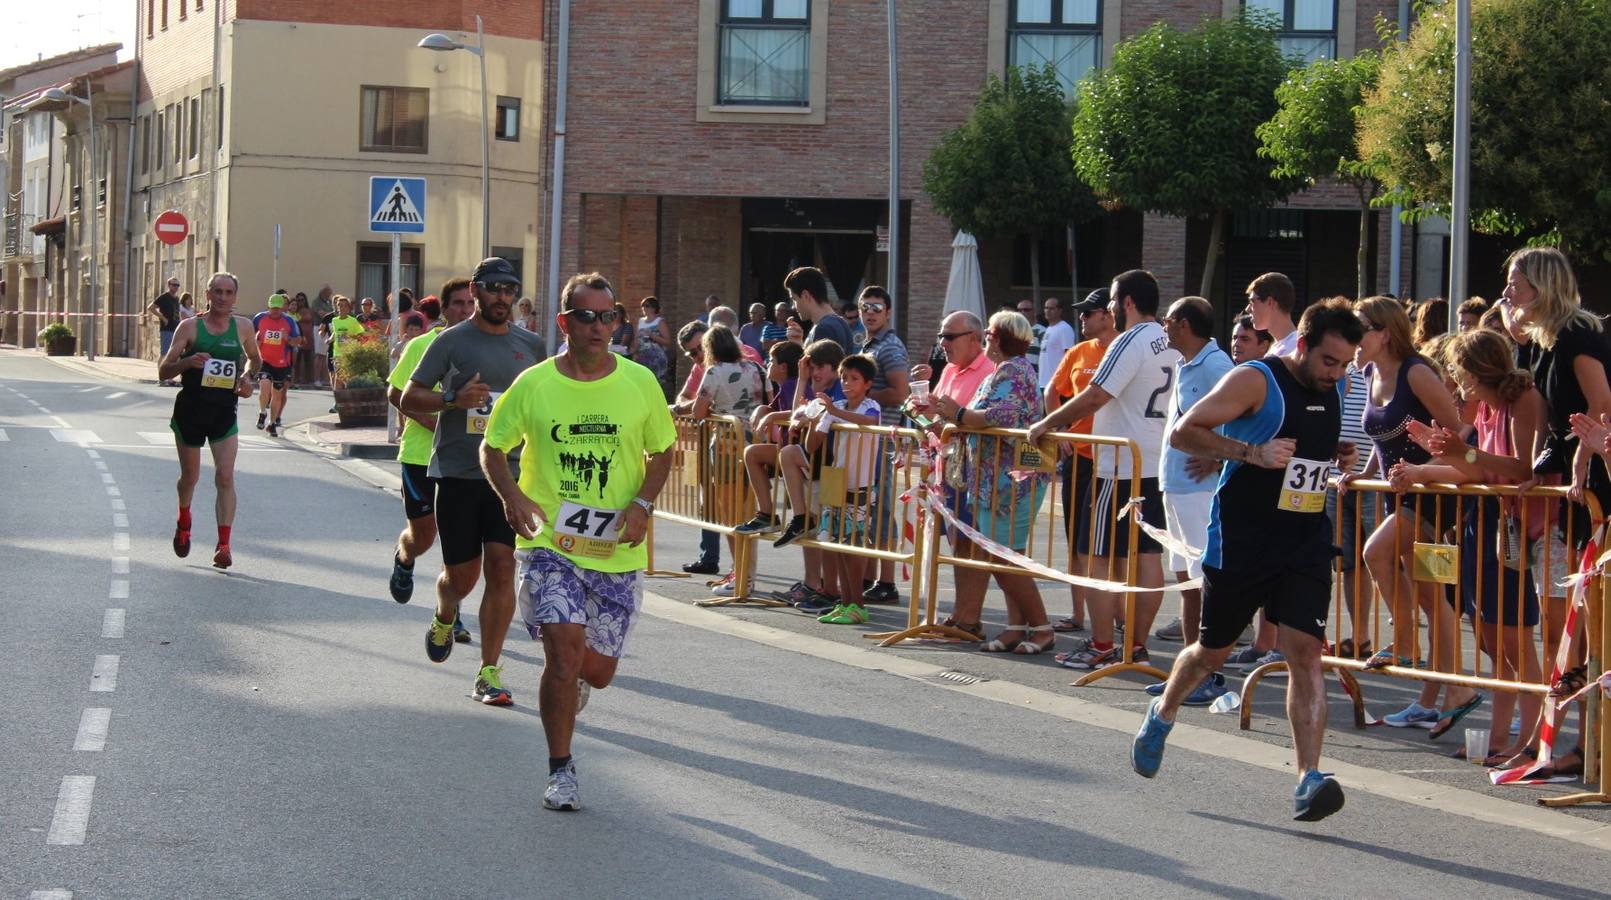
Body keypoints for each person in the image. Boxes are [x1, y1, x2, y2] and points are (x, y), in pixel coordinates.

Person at [1131, 298, 1362, 822]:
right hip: (1243, 539)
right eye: (1329, 361)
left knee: (1305, 652)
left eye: (1346, 363)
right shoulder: (1257, 380)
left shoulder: (1338, 386)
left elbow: (1308, 452)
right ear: (1302, 346)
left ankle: (1308, 778)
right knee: (1213, 652)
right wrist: (1251, 454)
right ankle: (1162, 712)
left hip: (1304, 539)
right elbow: (1183, 432)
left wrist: (1335, 456)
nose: (1337, 373)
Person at [482, 271, 676, 812]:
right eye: (587, 317)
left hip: (616, 549)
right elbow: (493, 448)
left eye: (608, 316)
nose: (598, 327)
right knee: (563, 656)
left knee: (597, 670)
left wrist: (641, 504)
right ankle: (560, 768)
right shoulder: (535, 384)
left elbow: (663, 451)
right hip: (551, 545)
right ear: (564, 322)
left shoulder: (639, 383)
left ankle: (576, 688)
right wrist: (513, 499)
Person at [401, 257, 546, 706]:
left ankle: (489, 672)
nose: (502, 297)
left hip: (511, 477)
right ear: (477, 290)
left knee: (503, 568)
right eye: (494, 288)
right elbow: (408, 396)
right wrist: (453, 398)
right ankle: (446, 611)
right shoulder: (450, 341)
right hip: (459, 471)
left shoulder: (533, 346)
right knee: (462, 577)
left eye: (510, 289)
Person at [1407, 328, 1548, 766]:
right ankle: (1501, 735)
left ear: (1472, 370)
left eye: (1457, 373)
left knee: (1516, 643)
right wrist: (1429, 461)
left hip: (1518, 531)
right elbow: (1479, 472)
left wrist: (1459, 455)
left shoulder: (1523, 399)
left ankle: (1529, 741)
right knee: (1492, 642)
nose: (1455, 382)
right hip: (1487, 526)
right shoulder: (1485, 410)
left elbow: (1523, 466)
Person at [1028, 270, 1181, 670]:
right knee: (1148, 557)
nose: (1111, 308)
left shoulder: (1129, 340)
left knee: (1096, 555)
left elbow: (1095, 396)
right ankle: (1136, 643)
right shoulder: (1171, 340)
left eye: (1113, 300)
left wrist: (1046, 424)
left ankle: (1102, 644)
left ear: (1127, 302)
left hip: (1119, 466)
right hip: (1155, 460)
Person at [1345, 295, 1480, 734]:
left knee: (1373, 552)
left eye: (1359, 328)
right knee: (1431, 596)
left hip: (1431, 497)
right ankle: (1448, 690)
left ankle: (1405, 644)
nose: (1352, 338)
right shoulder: (1368, 372)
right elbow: (1381, 437)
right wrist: (1360, 472)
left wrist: (1427, 466)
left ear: (1384, 332)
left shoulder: (1417, 372)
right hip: (1398, 495)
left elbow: (1461, 430)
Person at [1508, 247, 1610, 779]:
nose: (1508, 293)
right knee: (1584, 618)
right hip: (1575, 489)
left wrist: (1580, 461)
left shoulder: (1578, 335)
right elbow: (1550, 425)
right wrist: (1537, 470)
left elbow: (1601, 405)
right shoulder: (1544, 343)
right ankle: (1585, 743)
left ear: (1542, 286)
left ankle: (1594, 746)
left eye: (1516, 283)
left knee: (1596, 620)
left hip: (1599, 485)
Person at [929, 311, 1055, 653]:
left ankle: (1042, 628)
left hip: (1011, 481)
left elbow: (1000, 416)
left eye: (988, 333)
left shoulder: (1013, 370)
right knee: (1003, 556)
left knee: (1003, 558)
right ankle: (1016, 627)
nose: (985, 337)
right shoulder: (1006, 370)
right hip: (993, 481)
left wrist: (956, 414)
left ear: (998, 338)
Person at [1145, 296, 1234, 704]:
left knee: (1203, 578)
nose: (1163, 327)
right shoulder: (1187, 363)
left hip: (1200, 489)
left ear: (1183, 324)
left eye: (1168, 321)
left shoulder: (1217, 365)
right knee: (1185, 578)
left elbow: (1248, 415)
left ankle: (1208, 676)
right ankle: (1186, 673)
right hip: (1177, 484)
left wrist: (1218, 458)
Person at [386, 277, 476, 644]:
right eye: (457, 304)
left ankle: (451, 612)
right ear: (444, 308)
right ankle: (404, 557)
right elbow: (395, 391)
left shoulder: (484, 352)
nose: (465, 311)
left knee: (457, 542)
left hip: (464, 461)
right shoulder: (423, 345)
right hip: (421, 455)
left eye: (470, 303)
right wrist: (430, 420)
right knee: (424, 536)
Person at [156, 272, 263, 570]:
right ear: (207, 294)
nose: (223, 297)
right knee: (190, 478)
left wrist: (247, 377)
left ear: (235, 297)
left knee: (225, 476)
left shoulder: (243, 326)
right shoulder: (189, 327)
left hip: (223, 412)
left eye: (229, 292)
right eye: (217, 291)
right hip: (191, 410)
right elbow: (163, 370)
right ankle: (184, 519)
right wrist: (187, 362)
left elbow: (255, 358)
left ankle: (224, 545)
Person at [677, 323, 767, 596]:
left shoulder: (714, 372)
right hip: (755, 444)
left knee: (731, 518)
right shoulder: (757, 369)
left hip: (727, 446)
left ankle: (741, 578)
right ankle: (745, 575)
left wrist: (679, 408)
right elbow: (769, 401)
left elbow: (700, 411)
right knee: (749, 514)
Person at [1045, 289, 1116, 633]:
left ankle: (1117, 613)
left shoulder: (1124, 349)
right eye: (1082, 314)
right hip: (1082, 456)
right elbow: (1052, 390)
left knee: (1115, 541)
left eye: (1089, 313)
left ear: (1108, 314)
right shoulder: (1078, 351)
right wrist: (1058, 429)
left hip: (1117, 456)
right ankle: (1077, 612)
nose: (1083, 319)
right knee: (1077, 537)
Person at [804, 353, 883, 623]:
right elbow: (811, 445)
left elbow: (870, 422)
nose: (848, 383)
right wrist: (813, 417)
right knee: (837, 544)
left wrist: (835, 412)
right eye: (845, 378)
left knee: (854, 546)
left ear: (868, 383)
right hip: (836, 480)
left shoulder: (871, 406)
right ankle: (845, 602)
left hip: (859, 484)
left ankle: (857, 604)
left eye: (854, 379)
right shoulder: (835, 405)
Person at [853, 286, 909, 602]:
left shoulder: (889, 347)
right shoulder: (868, 344)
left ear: (888, 312)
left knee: (882, 509)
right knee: (866, 509)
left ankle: (886, 582)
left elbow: (901, 394)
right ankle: (868, 577)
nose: (870, 313)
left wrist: (865, 396)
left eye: (876, 307)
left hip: (882, 441)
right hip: (865, 442)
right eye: (865, 307)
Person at [784, 267, 855, 406]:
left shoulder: (823, 328)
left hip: (824, 411)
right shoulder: (840, 323)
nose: (793, 306)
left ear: (805, 295)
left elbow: (821, 378)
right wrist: (799, 343)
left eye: (794, 299)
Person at [252, 292, 301, 437]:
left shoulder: (289, 321)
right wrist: (256, 343)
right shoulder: (259, 318)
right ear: (268, 306)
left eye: (278, 308)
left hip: (282, 363)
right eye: (272, 308)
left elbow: (298, 340)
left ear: (282, 308)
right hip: (264, 360)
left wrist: (288, 339)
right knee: (264, 389)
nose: (275, 311)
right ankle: (262, 412)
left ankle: (272, 423)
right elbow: (250, 336)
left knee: (277, 395)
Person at [1246, 272, 1299, 356]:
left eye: (1252, 301)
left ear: (1270, 302)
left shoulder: (1296, 348)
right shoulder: (1277, 348)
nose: (1248, 309)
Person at [1037, 295, 1077, 401]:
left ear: (1059, 311)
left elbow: (1069, 356)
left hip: (1057, 384)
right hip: (1043, 382)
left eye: (1051, 308)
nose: (1047, 311)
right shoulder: (1049, 328)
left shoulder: (1064, 328)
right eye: (1046, 308)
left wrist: (1063, 381)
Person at [326, 297, 366, 389]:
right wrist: (330, 339)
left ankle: (347, 398)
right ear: (337, 307)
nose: (342, 308)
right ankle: (338, 400)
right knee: (338, 376)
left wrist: (350, 337)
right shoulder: (334, 320)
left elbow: (361, 335)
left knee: (347, 377)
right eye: (340, 305)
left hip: (349, 354)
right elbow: (335, 333)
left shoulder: (353, 321)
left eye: (344, 306)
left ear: (348, 308)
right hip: (337, 353)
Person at [635, 296, 673, 393]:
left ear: (654, 308)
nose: (644, 308)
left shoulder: (660, 322)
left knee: (655, 386)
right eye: (643, 305)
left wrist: (652, 335)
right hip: (642, 358)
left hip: (656, 358)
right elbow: (636, 339)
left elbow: (668, 341)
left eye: (647, 306)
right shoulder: (640, 321)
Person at [148, 276, 183, 365]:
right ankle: (161, 375)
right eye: (174, 285)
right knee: (164, 353)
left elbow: (177, 313)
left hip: (176, 328)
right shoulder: (164, 297)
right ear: (169, 285)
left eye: (177, 285)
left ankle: (169, 374)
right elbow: (151, 308)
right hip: (166, 328)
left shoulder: (176, 298)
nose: (176, 287)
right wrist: (162, 318)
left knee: (174, 353)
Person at [1018, 300, 1045, 377]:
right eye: (1019, 310)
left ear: (1034, 312)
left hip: (1035, 378)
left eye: (1026, 310)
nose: (1022, 312)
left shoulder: (1041, 331)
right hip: (1019, 378)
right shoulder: (1014, 332)